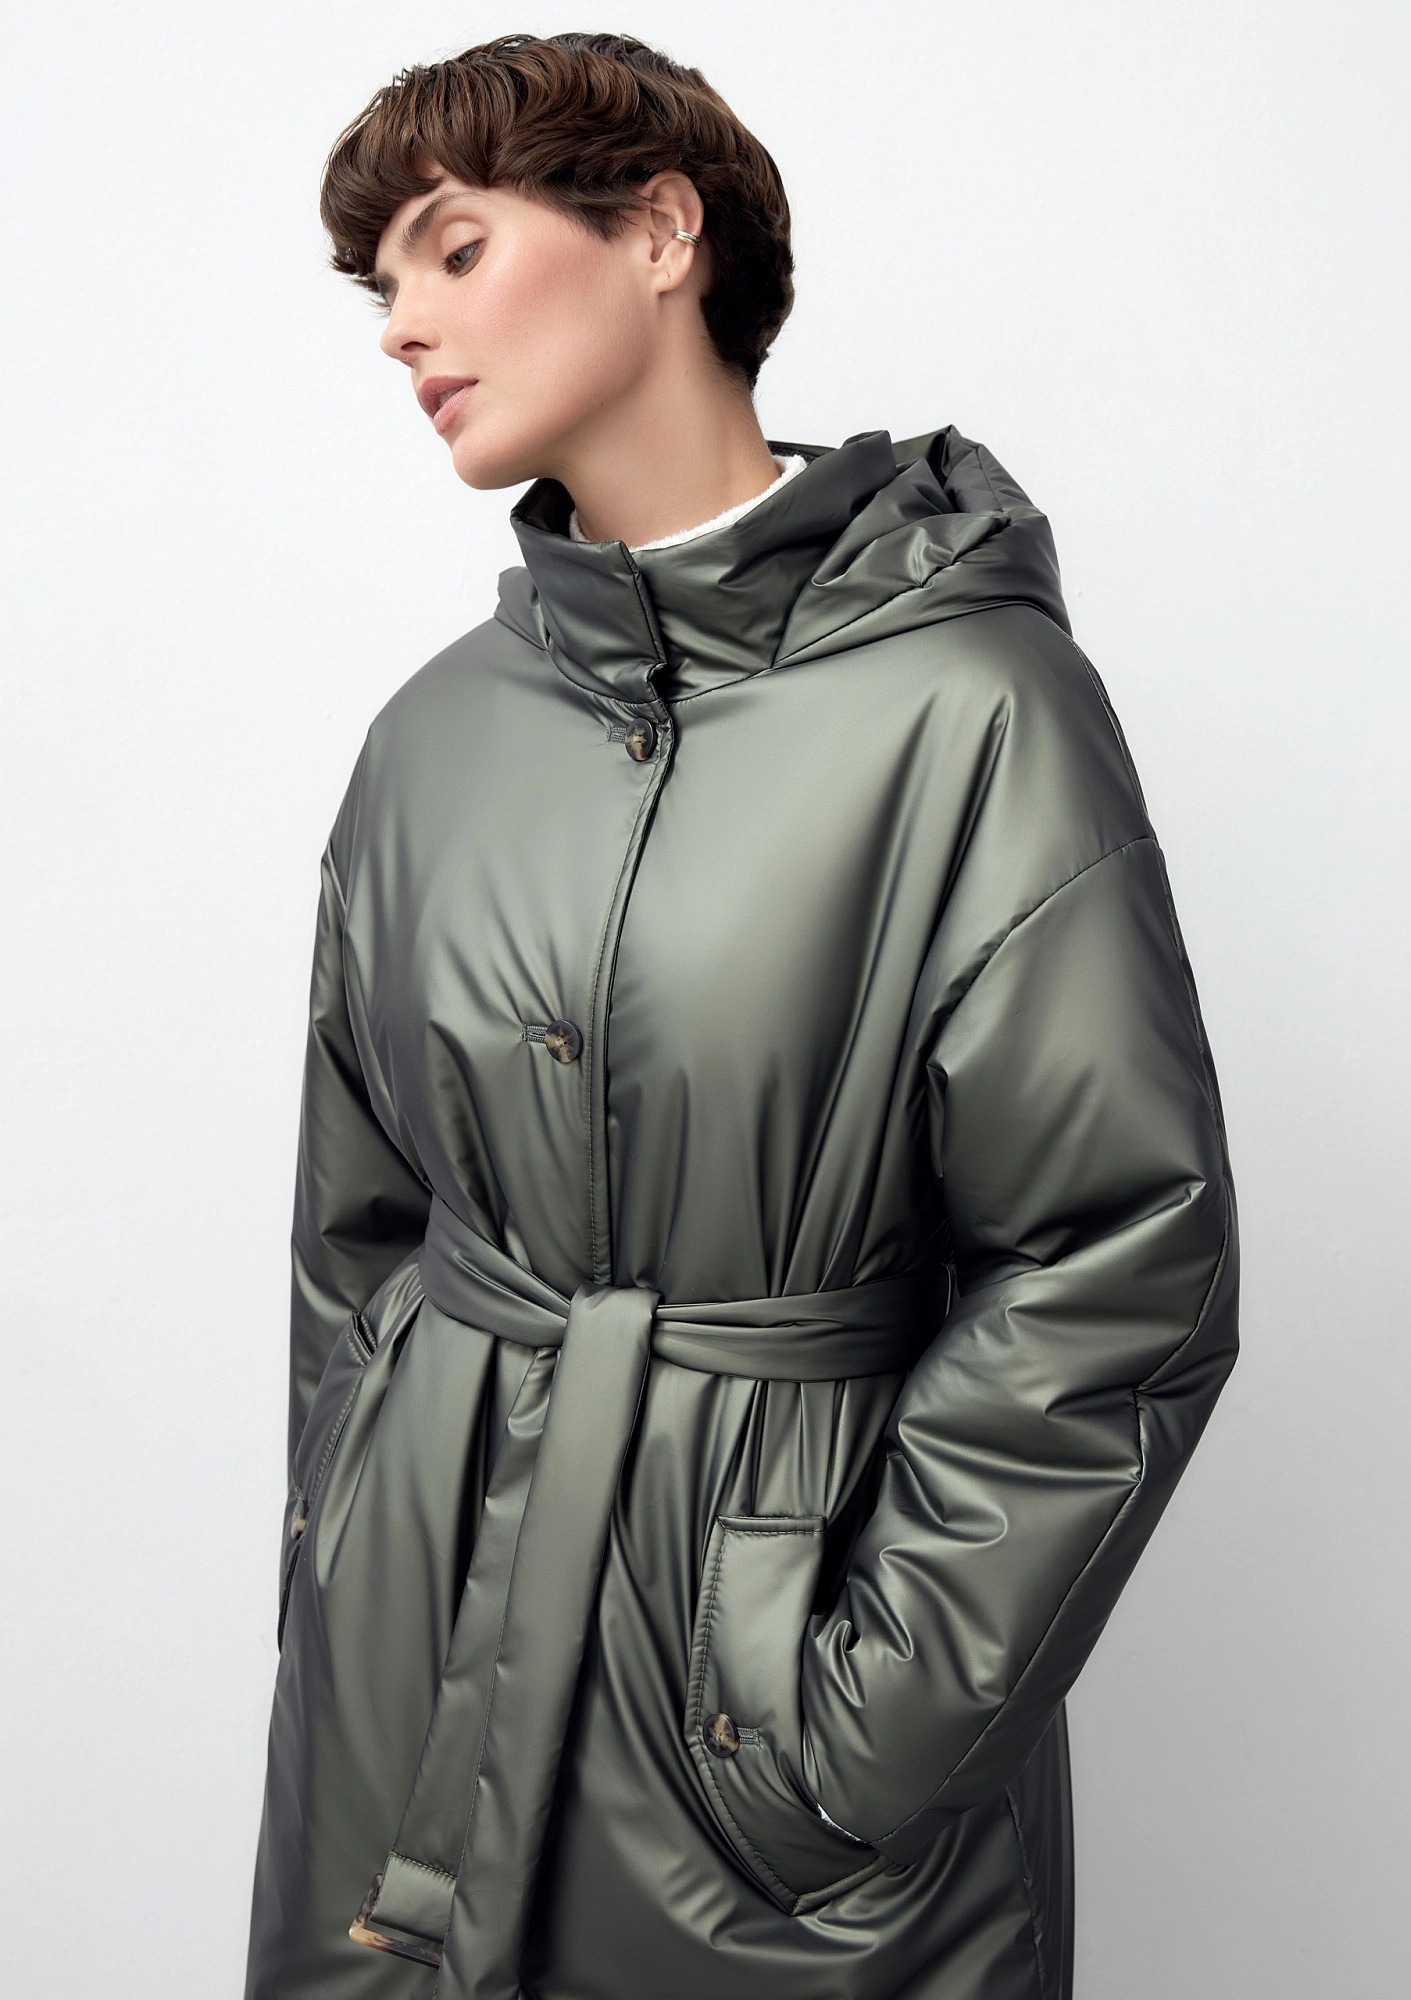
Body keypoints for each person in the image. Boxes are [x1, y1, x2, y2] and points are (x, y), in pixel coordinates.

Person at [244, 30, 1240, 2000]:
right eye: (382, 288)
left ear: (660, 231)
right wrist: (352, 1559)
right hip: (405, 1695)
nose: (404, 326)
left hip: (762, 1736)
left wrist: (851, 1736)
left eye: (455, 248)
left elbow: (1114, 1258)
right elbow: (356, 1244)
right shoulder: (435, 740)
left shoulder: (975, 711)